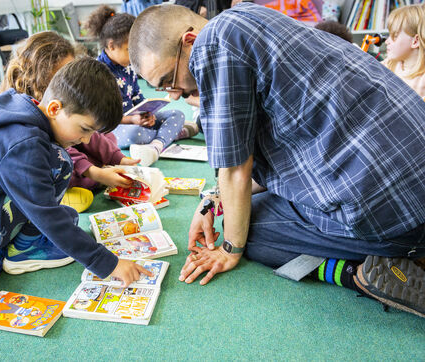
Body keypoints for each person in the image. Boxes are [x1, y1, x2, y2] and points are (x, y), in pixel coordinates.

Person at [128, 3, 425, 317]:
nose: (174, 94)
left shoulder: (213, 45)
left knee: (248, 229)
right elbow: (273, 160)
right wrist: (213, 200)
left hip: (400, 216)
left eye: (168, 80)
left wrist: (230, 249)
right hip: (410, 182)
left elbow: (236, 170)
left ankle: (359, 272)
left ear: (190, 42)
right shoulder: (249, 18)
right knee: (245, 206)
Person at [0, 58, 152, 302]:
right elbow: (46, 214)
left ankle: (16, 243)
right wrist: (107, 263)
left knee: (61, 164)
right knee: (57, 204)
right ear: (54, 109)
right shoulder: (23, 144)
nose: (85, 140)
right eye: (84, 129)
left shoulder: (30, 114)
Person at [0, 31, 138, 212]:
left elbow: (91, 137)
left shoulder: (67, 102)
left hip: (68, 144)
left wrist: (117, 157)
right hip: (46, 160)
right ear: (43, 77)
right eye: (65, 73)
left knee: (101, 135)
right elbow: (57, 150)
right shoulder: (30, 115)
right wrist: (96, 172)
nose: (71, 80)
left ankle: (94, 173)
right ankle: (66, 191)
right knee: (64, 161)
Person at [85, 5, 198, 167]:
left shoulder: (129, 66)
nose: (133, 55)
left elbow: (137, 96)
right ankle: (169, 135)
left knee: (177, 114)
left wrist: (149, 113)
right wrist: (131, 120)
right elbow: (101, 118)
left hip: (137, 120)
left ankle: (157, 144)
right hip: (116, 127)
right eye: (129, 50)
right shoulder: (97, 72)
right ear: (111, 46)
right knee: (138, 134)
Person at [382, 4, 425, 99]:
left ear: (415, 41)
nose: (387, 41)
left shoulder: (422, 80)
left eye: (395, 36)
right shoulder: (389, 64)